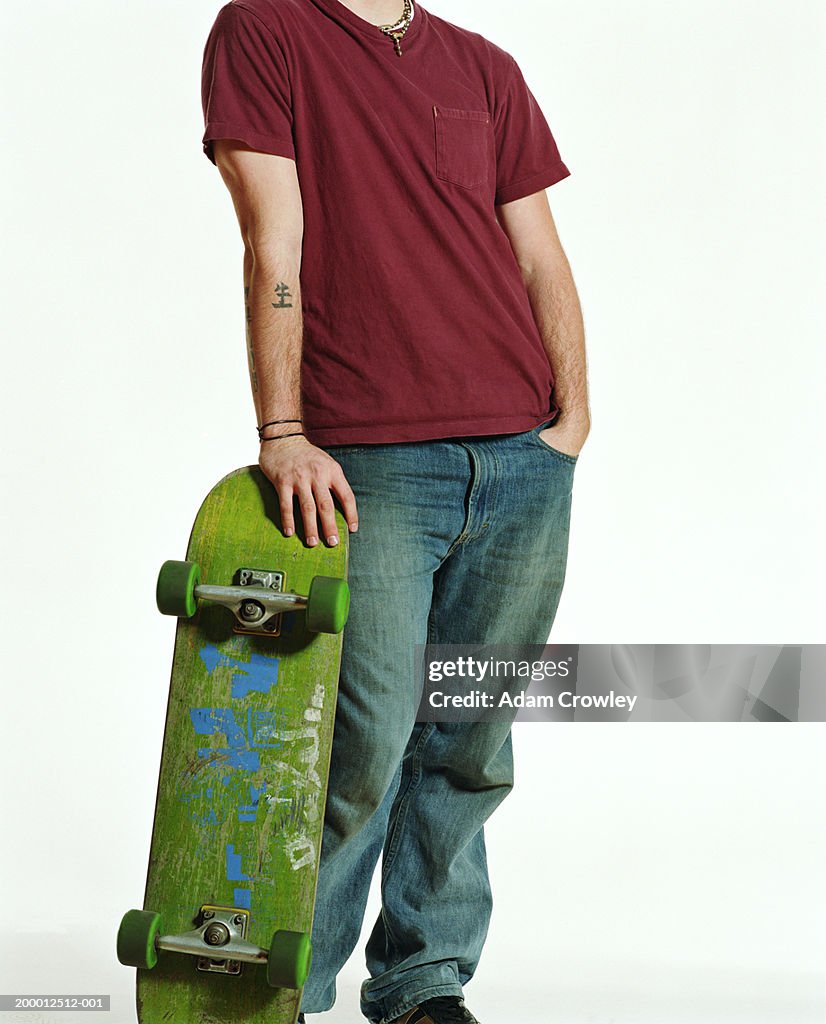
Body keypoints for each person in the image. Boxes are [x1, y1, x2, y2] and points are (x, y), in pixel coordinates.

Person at [201, 1, 589, 1021]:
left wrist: (571, 418)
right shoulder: (265, 30)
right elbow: (269, 242)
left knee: (469, 738)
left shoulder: (483, 66)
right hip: (368, 460)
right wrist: (282, 429)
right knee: (356, 745)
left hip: (519, 456)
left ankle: (423, 980)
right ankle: (280, 992)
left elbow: (539, 254)